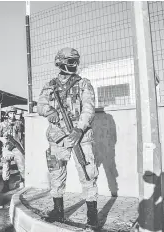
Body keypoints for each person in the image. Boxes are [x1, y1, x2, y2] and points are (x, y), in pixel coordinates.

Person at [37, 47, 99, 228]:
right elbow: (40, 104)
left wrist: (79, 130)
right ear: (60, 62)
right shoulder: (50, 85)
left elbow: (88, 108)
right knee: (56, 173)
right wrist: (49, 111)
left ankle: (92, 215)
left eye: (75, 61)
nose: (74, 65)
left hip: (80, 137)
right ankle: (58, 211)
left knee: (88, 174)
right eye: (71, 61)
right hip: (57, 137)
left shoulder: (83, 84)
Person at [0, 106, 25, 193]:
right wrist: (1, 139)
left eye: (14, 113)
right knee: (5, 167)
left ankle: (24, 182)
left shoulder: (19, 123)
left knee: (22, 167)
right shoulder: (2, 124)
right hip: (7, 149)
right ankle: (5, 185)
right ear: (7, 114)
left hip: (17, 148)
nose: (13, 115)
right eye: (11, 113)